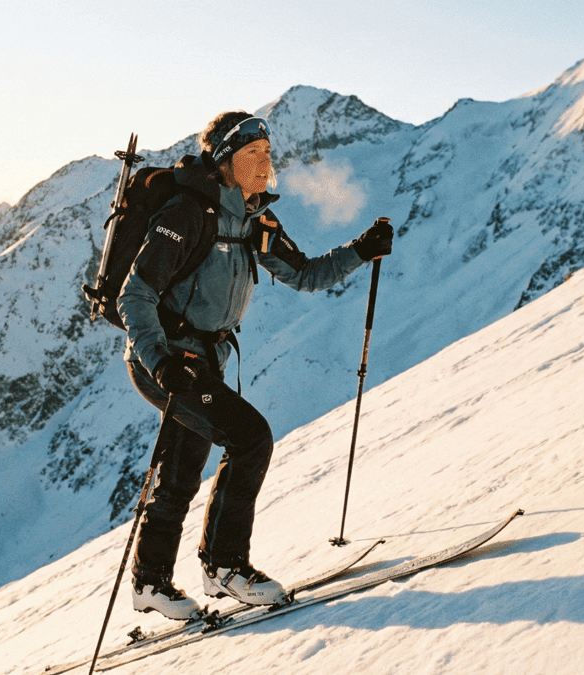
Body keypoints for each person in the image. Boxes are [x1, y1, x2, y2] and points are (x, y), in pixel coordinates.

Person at [117, 111, 394, 619]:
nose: (268, 163)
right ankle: (225, 566)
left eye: (269, 152)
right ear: (226, 160)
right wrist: (161, 362)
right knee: (250, 438)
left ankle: (149, 582)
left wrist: (360, 251)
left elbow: (306, 273)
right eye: (255, 154)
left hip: (203, 361)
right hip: (167, 362)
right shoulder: (185, 216)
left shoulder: (253, 220)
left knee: (181, 469)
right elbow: (134, 296)